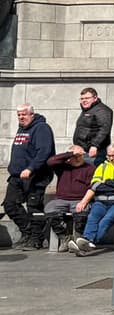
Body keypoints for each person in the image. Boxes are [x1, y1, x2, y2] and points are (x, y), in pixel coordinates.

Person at [5, 104, 56, 250]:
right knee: (10, 204)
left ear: (32, 114)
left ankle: (36, 239)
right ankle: (27, 233)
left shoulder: (41, 128)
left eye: (24, 114)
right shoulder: (22, 129)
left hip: (35, 175)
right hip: (17, 176)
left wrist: (30, 168)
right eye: (19, 115)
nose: (21, 117)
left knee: (34, 207)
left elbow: (44, 151)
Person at [69, 144, 114, 255]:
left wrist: (106, 182)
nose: (111, 158)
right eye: (109, 156)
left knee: (106, 220)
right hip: (100, 201)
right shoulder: (102, 167)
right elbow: (95, 185)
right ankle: (85, 242)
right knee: (92, 217)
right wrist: (84, 202)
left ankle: (87, 243)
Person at [44, 145, 97, 245]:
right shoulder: (62, 166)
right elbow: (50, 161)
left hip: (80, 200)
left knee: (82, 213)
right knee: (50, 210)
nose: (77, 159)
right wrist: (70, 153)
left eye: (79, 156)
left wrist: (83, 202)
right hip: (61, 199)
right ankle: (65, 238)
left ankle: (78, 239)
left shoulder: (90, 168)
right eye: (74, 157)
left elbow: (92, 187)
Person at [73, 87, 113, 160]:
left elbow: (104, 129)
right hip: (84, 150)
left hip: (95, 152)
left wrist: (95, 145)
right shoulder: (88, 110)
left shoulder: (102, 110)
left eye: (87, 98)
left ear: (95, 98)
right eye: (82, 99)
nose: (84, 101)